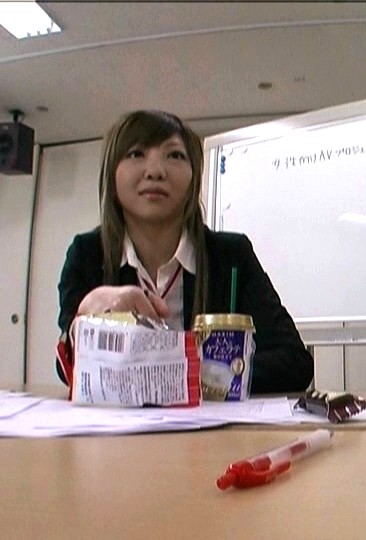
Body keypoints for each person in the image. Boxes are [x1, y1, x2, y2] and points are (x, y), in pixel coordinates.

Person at [56, 110, 313, 393]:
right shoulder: (87, 254)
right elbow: (68, 368)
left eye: (174, 155)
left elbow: (295, 362)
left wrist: (190, 374)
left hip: (213, 422)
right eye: (136, 154)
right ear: (111, 174)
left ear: (194, 177)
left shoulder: (231, 255)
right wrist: (83, 326)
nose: (155, 171)